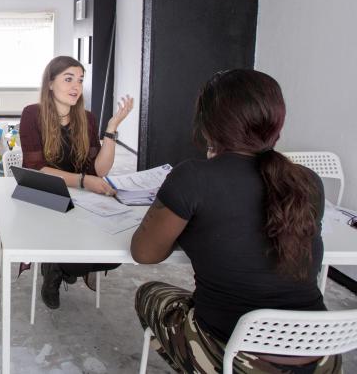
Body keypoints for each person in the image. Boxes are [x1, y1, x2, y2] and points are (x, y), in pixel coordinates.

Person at [130, 69, 341, 373]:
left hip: (237, 359)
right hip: (321, 355)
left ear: (207, 124)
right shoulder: (307, 181)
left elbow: (145, 253)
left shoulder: (193, 177)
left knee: (149, 294)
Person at [19, 55, 134, 309]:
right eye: (68, 79)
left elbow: (98, 169)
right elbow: (36, 168)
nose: (76, 87)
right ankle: (57, 270)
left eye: (80, 81)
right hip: (44, 194)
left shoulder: (88, 118)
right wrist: (83, 181)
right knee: (74, 252)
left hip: (81, 195)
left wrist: (112, 128)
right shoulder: (32, 114)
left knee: (115, 255)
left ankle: (57, 267)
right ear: (50, 84)